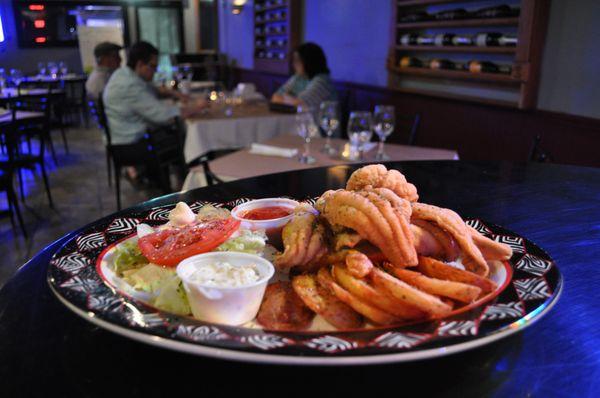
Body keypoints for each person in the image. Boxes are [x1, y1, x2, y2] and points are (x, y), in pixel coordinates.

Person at [103, 41, 208, 183]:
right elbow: (164, 116)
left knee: (176, 133)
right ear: (140, 64)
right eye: (153, 66)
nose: (156, 71)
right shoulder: (130, 85)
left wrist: (176, 94)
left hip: (121, 139)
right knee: (184, 139)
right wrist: (197, 107)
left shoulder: (125, 74)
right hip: (129, 146)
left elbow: (153, 90)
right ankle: (186, 187)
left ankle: (176, 183)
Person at [271, 42, 337, 109]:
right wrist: (291, 99)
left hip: (325, 119)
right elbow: (275, 97)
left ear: (309, 62)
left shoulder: (322, 81)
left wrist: (287, 97)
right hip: (302, 117)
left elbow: (299, 103)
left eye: (297, 61)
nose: (294, 64)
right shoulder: (298, 77)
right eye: (294, 61)